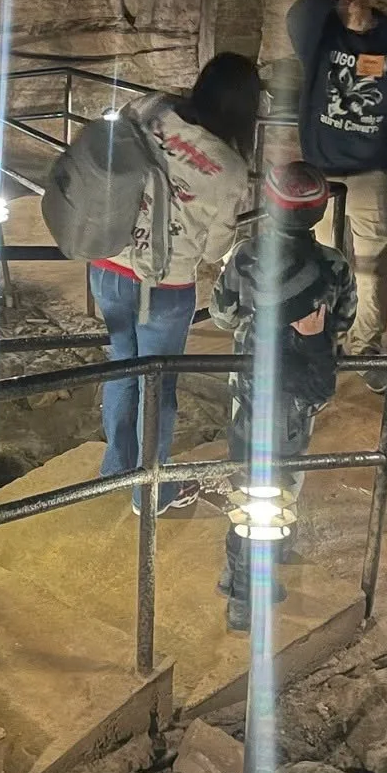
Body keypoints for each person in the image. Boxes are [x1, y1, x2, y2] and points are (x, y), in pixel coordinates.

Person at [93, 53, 262, 515]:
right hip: (165, 287)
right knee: (158, 386)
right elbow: (213, 251)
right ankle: (149, 491)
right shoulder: (227, 167)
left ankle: (115, 467)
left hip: (107, 263)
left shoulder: (150, 109)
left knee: (119, 365)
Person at [209, 163, 357, 631]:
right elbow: (345, 320)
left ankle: (239, 581)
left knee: (252, 481)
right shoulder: (334, 265)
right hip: (299, 397)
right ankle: (251, 583)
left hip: (251, 387)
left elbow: (221, 313)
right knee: (280, 479)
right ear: (320, 209)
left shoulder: (246, 255)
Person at [286, 0, 387, 381]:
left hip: (370, 174)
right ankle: (325, 337)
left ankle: (365, 347)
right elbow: (296, 18)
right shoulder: (320, 37)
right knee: (324, 261)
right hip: (322, 175)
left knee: (371, 267)